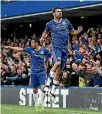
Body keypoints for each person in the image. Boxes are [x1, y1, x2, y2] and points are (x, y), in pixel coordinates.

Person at [41, 7, 83, 103]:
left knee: (60, 70)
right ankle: (47, 85)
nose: (60, 13)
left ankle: (53, 90)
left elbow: (72, 32)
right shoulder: (50, 23)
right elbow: (45, 33)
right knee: (57, 63)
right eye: (58, 12)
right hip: (56, 48)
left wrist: (78, 31)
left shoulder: (66, 21)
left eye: (61, 11)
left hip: (65, 49)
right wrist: (42, 38)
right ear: (53, 13)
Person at [5, 37, 51, 111]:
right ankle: (36, 105)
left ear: (36, 43)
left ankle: (41, 104)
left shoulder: (44, 50)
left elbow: (49, 55)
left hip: (42, 72)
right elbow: (19, 49)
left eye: (32, 42)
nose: (31, 44)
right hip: (33, 73)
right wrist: (10, 47)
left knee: (43, 88)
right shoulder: (30, 49)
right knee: (35, 90)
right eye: (31, 42)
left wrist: (47, 62)